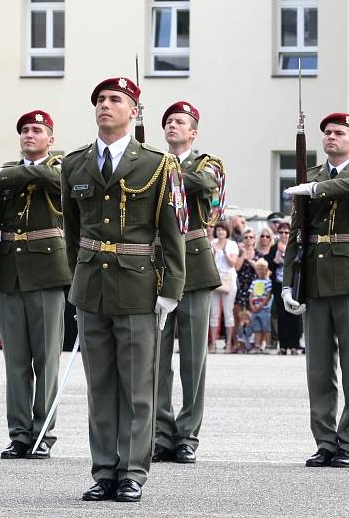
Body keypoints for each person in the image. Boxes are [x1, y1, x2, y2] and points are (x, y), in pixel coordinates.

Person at [61, 76, 185, 503]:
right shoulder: (75, 164)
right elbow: (72, 232)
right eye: (100, 100)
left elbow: (172, 233)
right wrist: (74, 281)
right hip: (91, 286)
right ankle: (104, 471)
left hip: (137, 287)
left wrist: (170, 289)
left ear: (134, 110)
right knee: (100, 387)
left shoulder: (157, 163)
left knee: (137, 387)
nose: (105, 106)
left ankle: (133, 471)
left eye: (116, 100)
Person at [283, 112, 349, 468]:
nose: (331, 137)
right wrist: (287, 283)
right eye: (327, 132)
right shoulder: (308, 176)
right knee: (317, 368)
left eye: (339, 133)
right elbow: (297, 233)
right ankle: (325, 440)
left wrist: (318, 189)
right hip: (314, 276)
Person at [0, 108, 71, 459]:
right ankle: (18, 433)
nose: (30, 135)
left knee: (46, 360)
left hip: (47, 272)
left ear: (50, 139)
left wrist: (5, 174)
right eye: (25, 130)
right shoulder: (5, 175)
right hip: (10, 272)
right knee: (15, 361)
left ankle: (42, 432)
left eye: (37, 130)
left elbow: (53, 181)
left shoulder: (61, 166)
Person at [154, 101, 223, 465]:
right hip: (159, 264)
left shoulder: (204, 162)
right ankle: (161, 433)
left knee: (193, 358)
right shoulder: (153, 161)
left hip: (194, 264)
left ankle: (188, 434)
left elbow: (205, 183)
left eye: (179, 122)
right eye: (168, 122)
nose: (172, 126)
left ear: (193, 132)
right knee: (156, 358)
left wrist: (165, 174)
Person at [266, 221, 302, 355]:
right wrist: (277, 255)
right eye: (281, 232)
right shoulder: (274, 248)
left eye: (287, 232)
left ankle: (294, 345)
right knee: (281, 316)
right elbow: (270, 267)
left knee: (294, 315)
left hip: (294, 284)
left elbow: (298, 263)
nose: (284, 235)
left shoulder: (296, 246)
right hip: (279, 285)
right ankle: (283, 345)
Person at [208, 221, 238, 353]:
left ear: (227, 232)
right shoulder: (211, 243)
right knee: (214, 313)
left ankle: (229, 344)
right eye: (218, 229)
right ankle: (213, 343)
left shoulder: (232, 244)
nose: (221, 232)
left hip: (228, 279)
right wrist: (214, 252)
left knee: (228, 312)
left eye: (223, 230)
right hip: (215, 279)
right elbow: (208, 262)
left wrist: (224, 251)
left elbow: (233, 264)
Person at [249, 258, 273, 352]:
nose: (261, 271)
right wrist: (252, 305)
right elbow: (250, 295)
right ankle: (257, 346)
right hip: (255, 309)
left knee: (266, 328)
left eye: (263, 268)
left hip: (265, 309)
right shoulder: (254, 282)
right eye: (259, 269)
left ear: (266, 270)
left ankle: (267, 346)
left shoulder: (268, 282)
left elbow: (268, 295)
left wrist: (261, 305)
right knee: (257, 328)